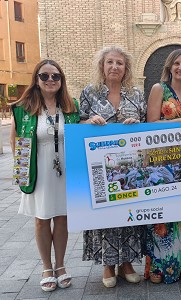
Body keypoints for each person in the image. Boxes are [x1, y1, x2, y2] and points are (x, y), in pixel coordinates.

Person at [79, 46, 147, 288]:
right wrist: (89, 122)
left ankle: (127, 262)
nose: (115, 67)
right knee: (105, 216)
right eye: (110, 62)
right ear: (102, 66)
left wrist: (137, 124)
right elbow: (78, 123)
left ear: (126, 68)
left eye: (119, 63)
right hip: (100, 168)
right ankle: (108, 264)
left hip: (130, 169)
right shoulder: (89, 93)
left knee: (130, 212)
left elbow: (148, 125)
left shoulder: (136, 94)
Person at [10, 59, 79, 292]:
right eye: (45, 76)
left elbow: (80, 133)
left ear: (62, 80)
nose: (50, 80)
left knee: (62, 218)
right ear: (36, 80)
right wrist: (22, 176)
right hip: (38, 169)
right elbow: (15, 142)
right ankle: (46, 267)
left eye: (55, 76)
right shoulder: (23, 108)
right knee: (41, 219)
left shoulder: (71, 106)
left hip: (64, 171)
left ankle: (60, 266)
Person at [145, 48, 181, 284]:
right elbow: (151, 123)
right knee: (162, 214)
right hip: (161, 163)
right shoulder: (159, 89)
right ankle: (158, 267)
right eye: (176, 63)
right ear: (169, 67)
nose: (180, 67)